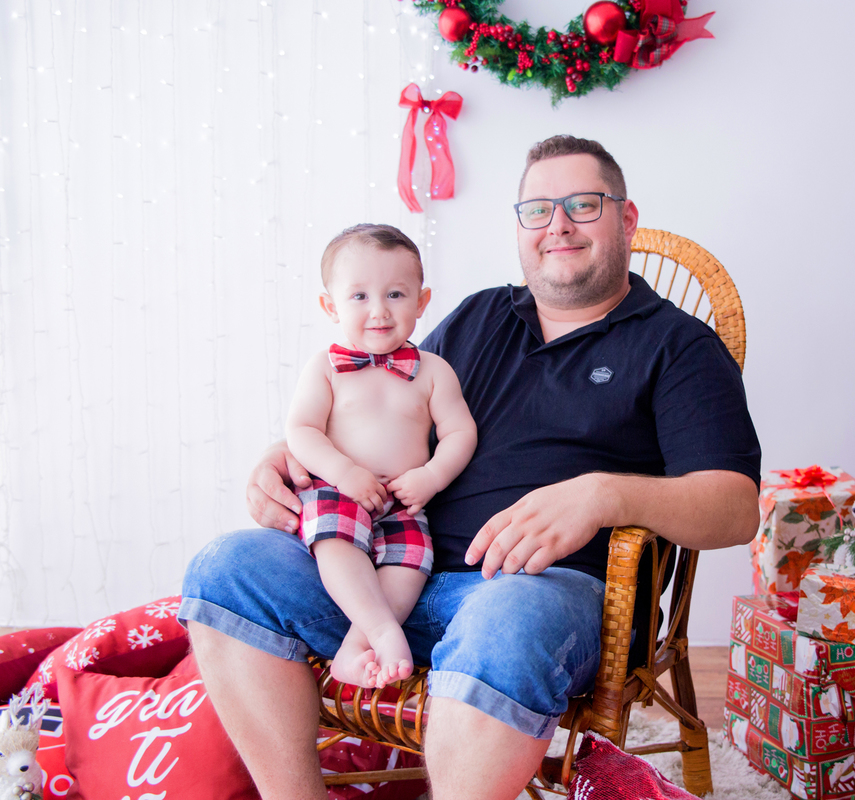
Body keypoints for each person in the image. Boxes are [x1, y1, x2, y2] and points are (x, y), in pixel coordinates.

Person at [180, 134, 761, 800]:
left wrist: (606, 495)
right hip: (392, 573)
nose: (559, 226)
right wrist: (284, 454)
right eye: (537, 209)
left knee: (506, 614)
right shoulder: (483, 316)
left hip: (543, 596)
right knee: (227, 566)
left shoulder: (678, 345)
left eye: (583, 204)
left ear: (626, 220)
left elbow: (734, 507)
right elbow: (379, 408)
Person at [285, 224, 476, 689]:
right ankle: (384, 630)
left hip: (402, 499)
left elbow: (459, 432)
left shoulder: (433, 371)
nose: (379, 311)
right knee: (336, 543)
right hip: (339, 491)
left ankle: (354, 649)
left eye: (395, 294)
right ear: (330, 306)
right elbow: (301, 430)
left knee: (410, 564)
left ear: (422, 301)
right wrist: (344, 473)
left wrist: (430, 476)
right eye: (359, 297)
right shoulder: (325, 368)